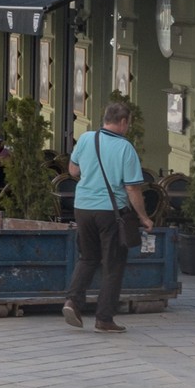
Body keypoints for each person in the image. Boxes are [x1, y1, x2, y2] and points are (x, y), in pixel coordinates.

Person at [61, 101, 155, 334]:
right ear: (123, 122)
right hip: (110, 213)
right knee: (113, 265)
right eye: (128, 123)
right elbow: (133, 189)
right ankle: (104, 318)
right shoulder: (126, 149)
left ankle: (72, 301)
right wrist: (144, 217)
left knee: (88, 257)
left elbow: (73, 171)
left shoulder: (86, 138)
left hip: (82, 207)